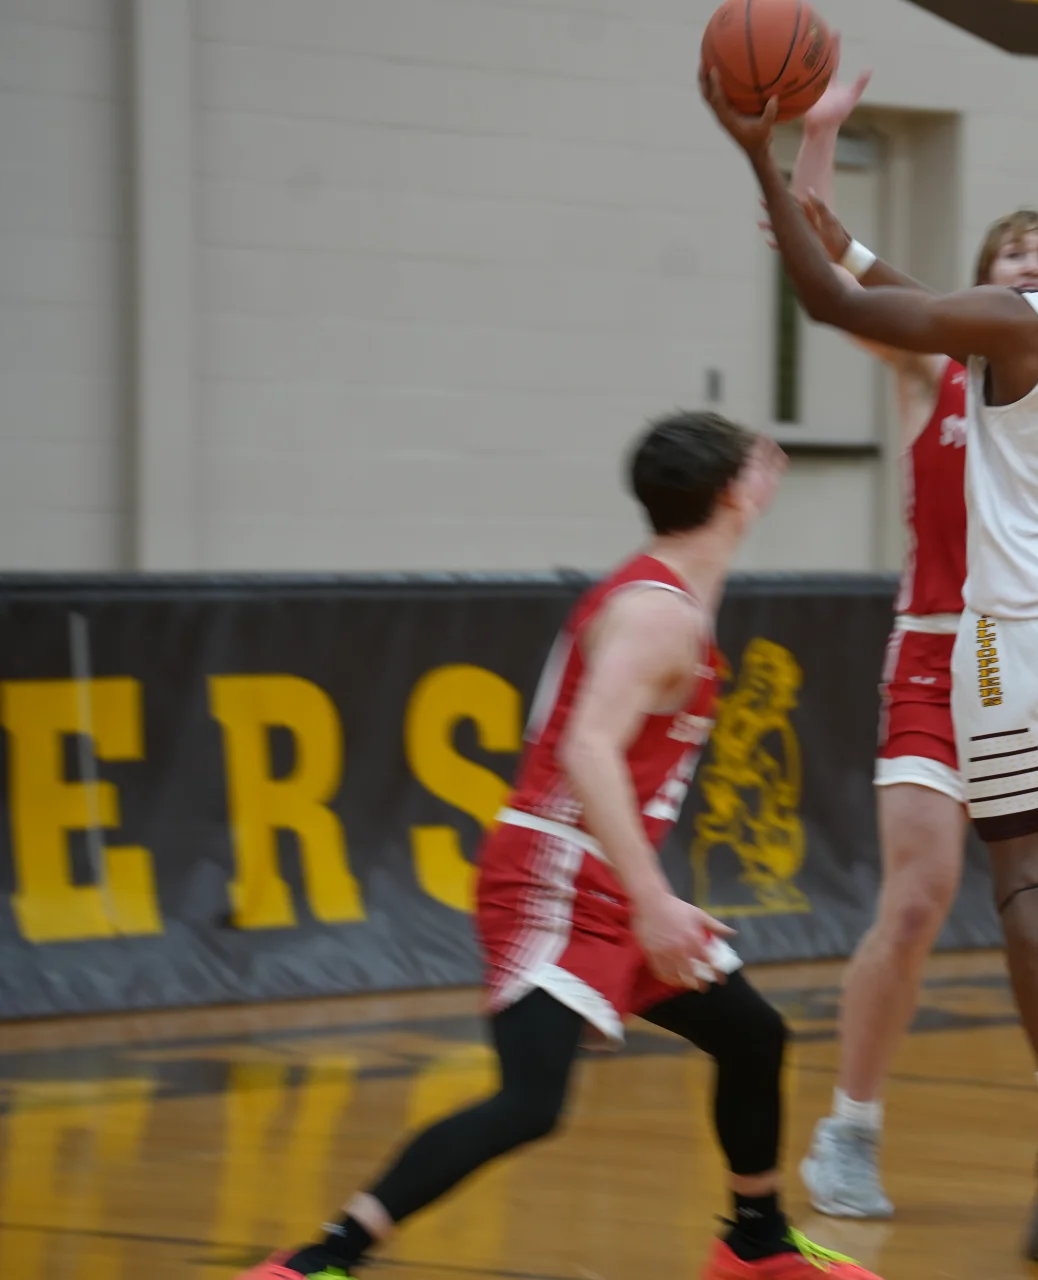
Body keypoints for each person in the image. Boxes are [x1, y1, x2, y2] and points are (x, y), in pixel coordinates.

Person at [703, 68, 1038, 1259]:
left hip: (1014, 629)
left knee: (1024, 877)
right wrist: (821, 172)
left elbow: (829, 296)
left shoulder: (1019, 325)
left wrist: (755, 155)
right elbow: (883, 274)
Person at [239, 414, 882, 1280]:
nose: (770, 473)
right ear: (733, 492)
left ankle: (756, 1244)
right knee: (530, 1102)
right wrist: (652, 898)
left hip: (601, 873)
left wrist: (642, 892)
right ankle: (321, 1259)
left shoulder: (677, 590)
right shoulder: (657, 614)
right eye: (753, 467)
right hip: (552, 875)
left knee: (751, 1034)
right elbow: (586, 749)